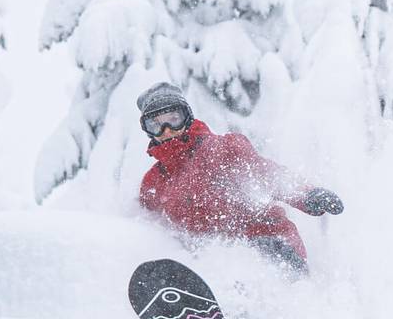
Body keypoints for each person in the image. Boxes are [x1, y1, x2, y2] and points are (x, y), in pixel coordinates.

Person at [134, 82, 343, 275]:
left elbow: (266, 174)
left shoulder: (223, 149)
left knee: (251, 263)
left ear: (187, 117)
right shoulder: (154, 182)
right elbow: (151, 226)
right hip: (212, 267)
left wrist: (307, 195)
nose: (167, 131)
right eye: (156, 125)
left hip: (269, 243)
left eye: (173, 119)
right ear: (148, 131)